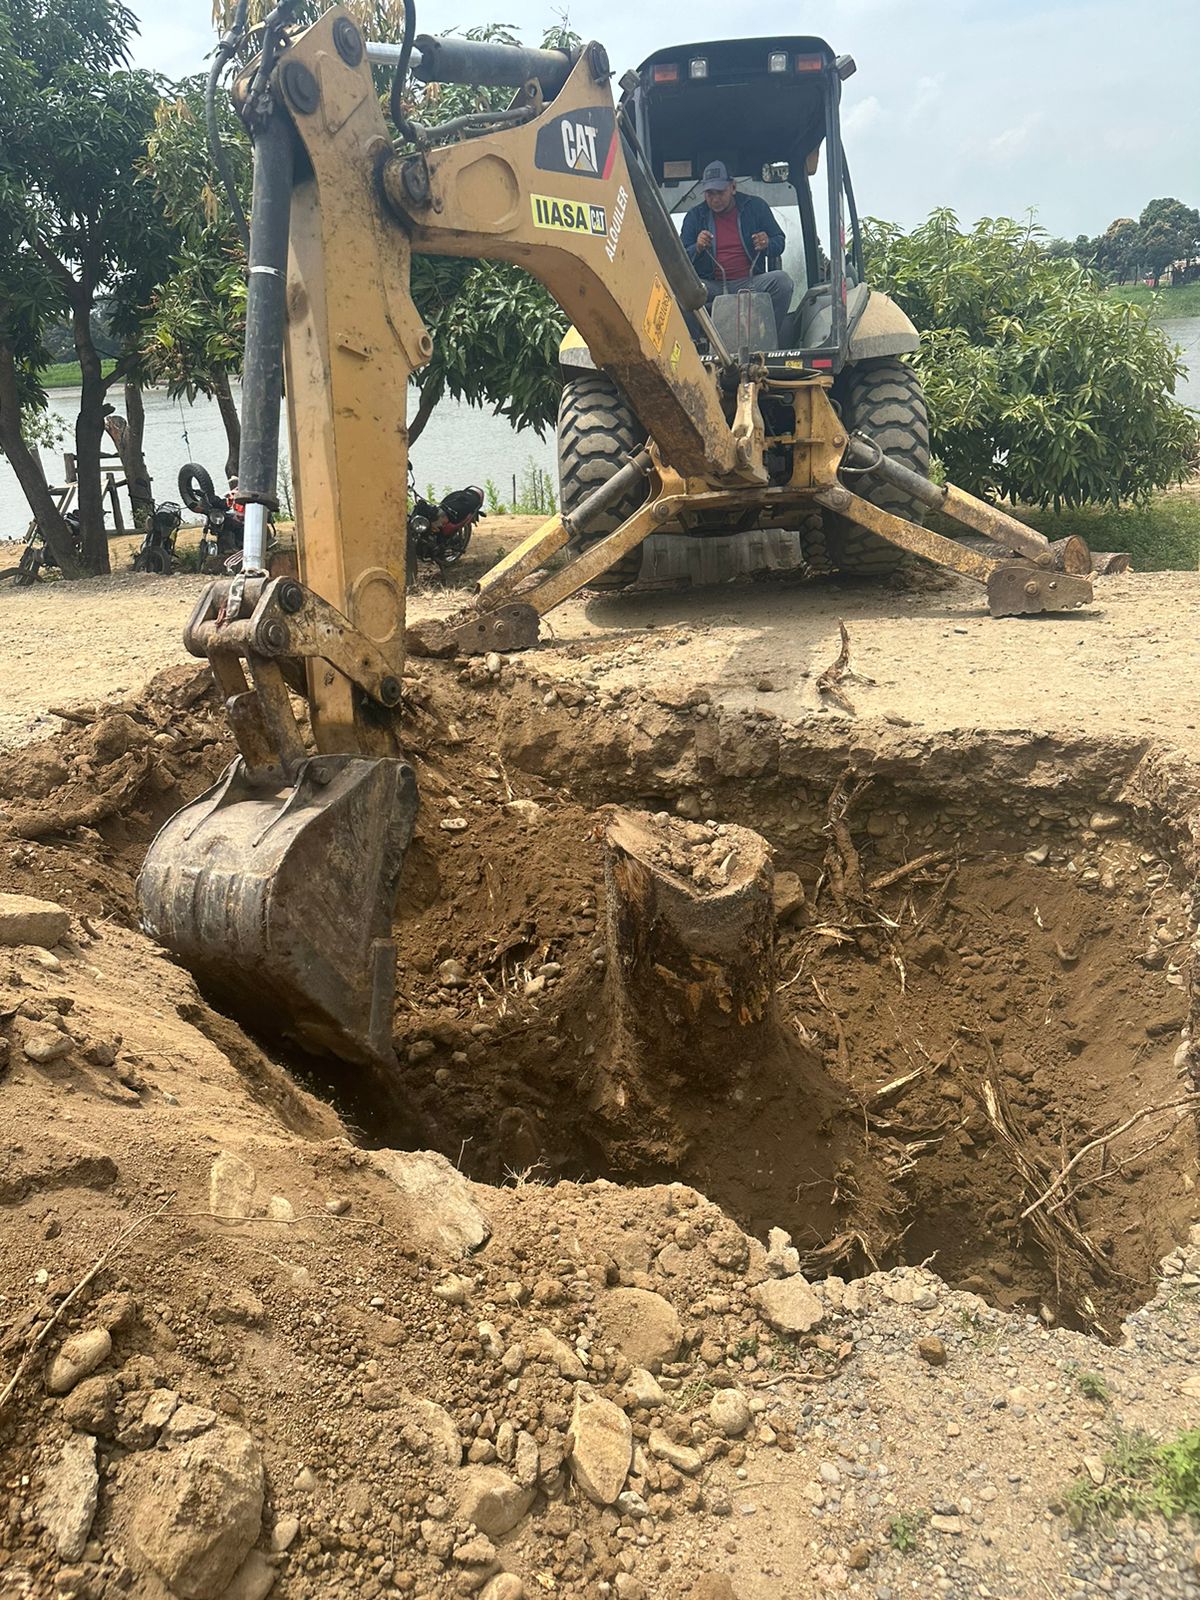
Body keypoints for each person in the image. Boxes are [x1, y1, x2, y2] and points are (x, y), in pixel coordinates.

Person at [680, 160, 793, 341]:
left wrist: (767, 243)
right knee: (682, 290)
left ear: (732, 187)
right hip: (712, 286)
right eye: (709, 193)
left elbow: (779, 241)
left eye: (720, 192)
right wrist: (697, 247)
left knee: (783, 282)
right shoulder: (694, 216)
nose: (715, 199)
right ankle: (694, 345)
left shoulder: (756, 207)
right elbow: (680, 260)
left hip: (750, 282)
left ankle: (767, 338)